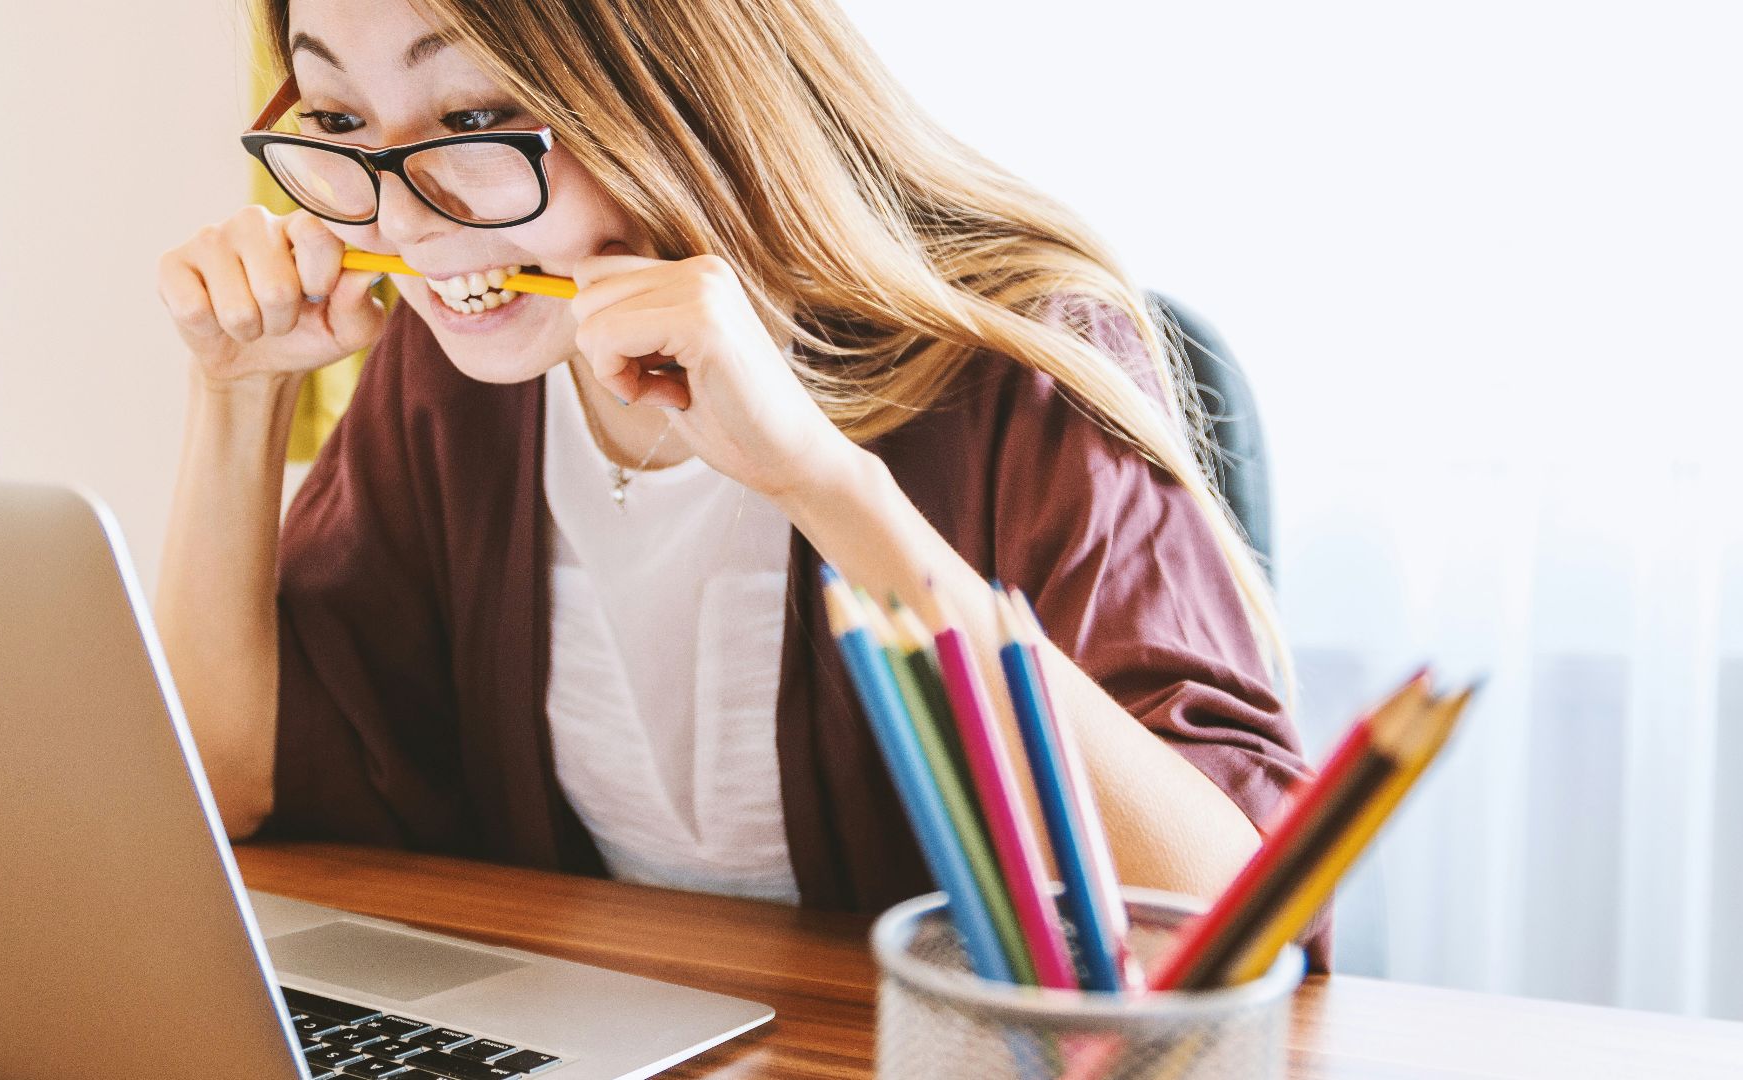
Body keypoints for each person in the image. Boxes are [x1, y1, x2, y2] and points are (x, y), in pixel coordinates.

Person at [154, 0, 1323, 960]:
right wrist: (238, 394)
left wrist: (822, 482)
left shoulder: (1018, 364)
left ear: (669, 87)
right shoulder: (452, 373)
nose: (405, 219)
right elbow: (230, 783)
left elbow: (1228, 918)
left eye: (473, 113)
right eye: (343, 117)